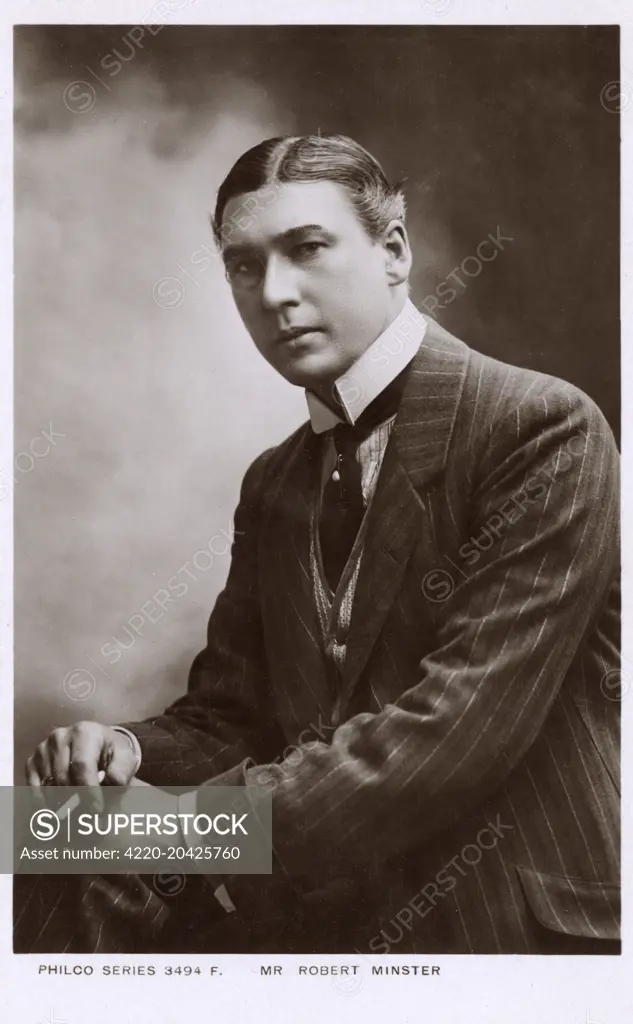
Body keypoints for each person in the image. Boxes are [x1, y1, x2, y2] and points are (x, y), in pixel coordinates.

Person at [17, 134, 620, 954]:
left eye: (306, 249)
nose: (274, 293)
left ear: (393, 251)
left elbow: (458, 731)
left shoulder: (541, 428)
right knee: (47, 831)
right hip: (327, 920)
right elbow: (234, 715)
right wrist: (123, 754)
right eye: (242, 266)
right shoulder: (275, 482)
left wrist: (199, 827)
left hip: (506, 928)